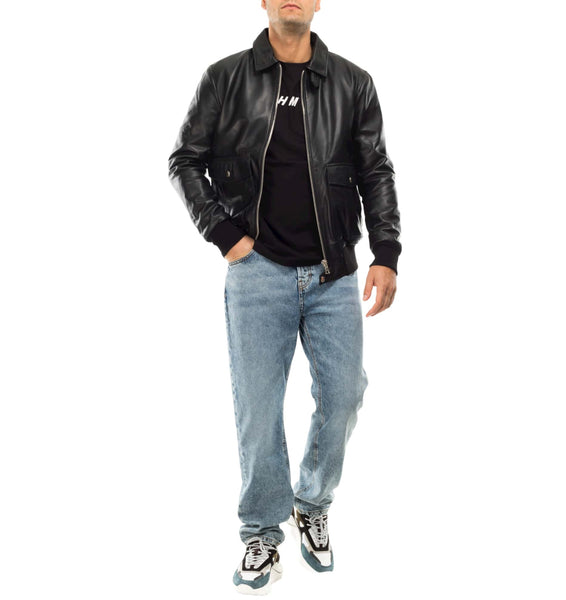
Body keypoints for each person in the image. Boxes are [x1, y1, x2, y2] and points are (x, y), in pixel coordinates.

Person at [168, 0, 401, 594]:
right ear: (264, 2)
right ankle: (260, 533)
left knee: (344, 396)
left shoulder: (353, 82)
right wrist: (225, 235)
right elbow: (185, 160)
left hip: (333, 271)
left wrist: (386, 251)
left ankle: (312, 502)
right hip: (257, 272)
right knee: (258, 408)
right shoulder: (225, 77)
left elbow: (375, 169)